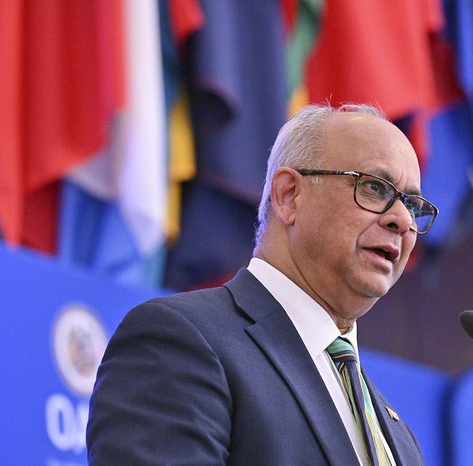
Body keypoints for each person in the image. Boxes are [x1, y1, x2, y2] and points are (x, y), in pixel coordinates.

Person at [86, 103, 438, 465]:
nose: (401, 219)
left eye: (413, 205)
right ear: (288, 196)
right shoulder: (180, 341)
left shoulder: (399, 438)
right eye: (375, 188)